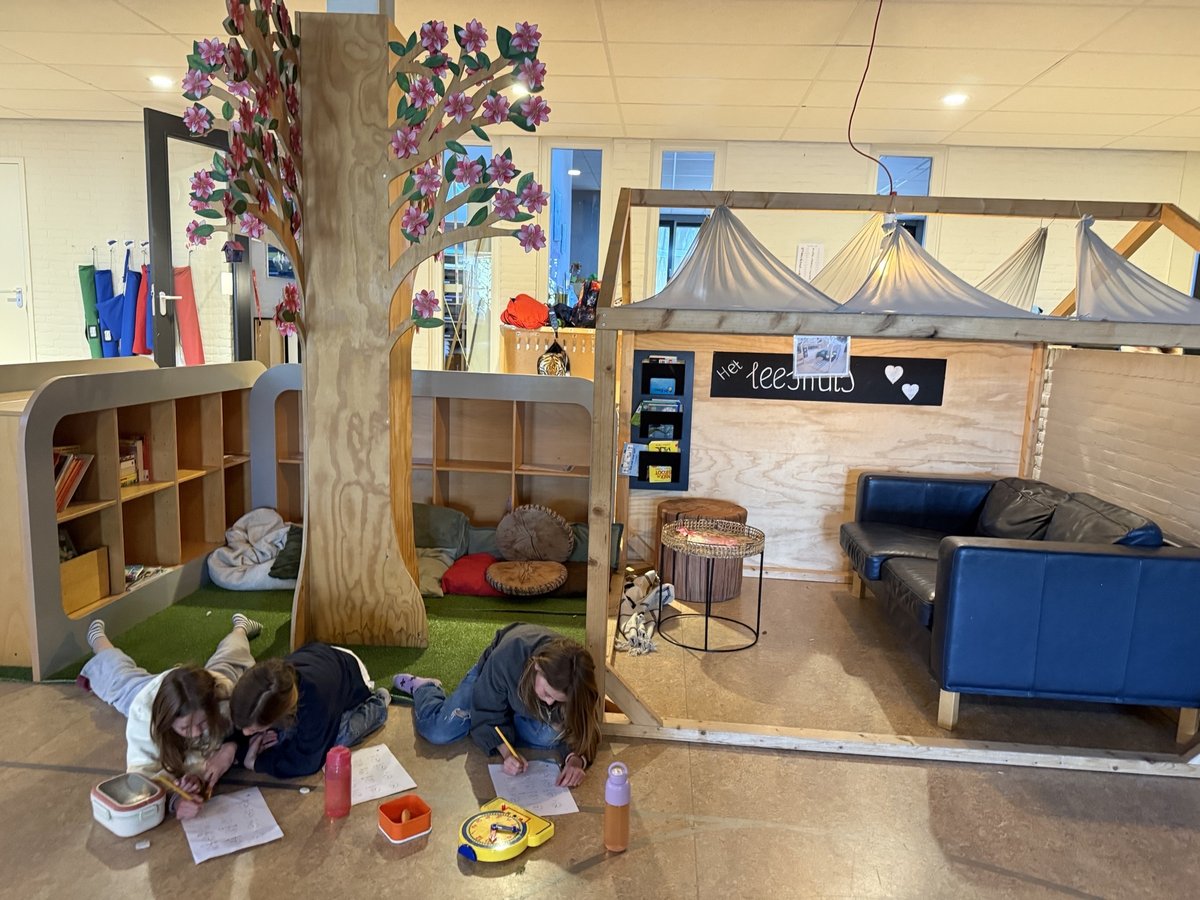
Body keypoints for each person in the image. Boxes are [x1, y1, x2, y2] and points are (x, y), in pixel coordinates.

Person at [78, 613, 262, 820]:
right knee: (116, 675)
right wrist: (175, 799)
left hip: (204, 682)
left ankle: (241, 628)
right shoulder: (144, 713)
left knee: (231, 657)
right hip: (145, 691)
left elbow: (248, 727)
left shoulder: (222, 693)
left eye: (202, 723)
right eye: (185, 728)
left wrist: (231, 747)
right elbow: (141, 776)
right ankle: (97, 638)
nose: (195, 733)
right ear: (166, 721)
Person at [393, 624, 601, 788]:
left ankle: (513, 716)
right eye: (547, 694)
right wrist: (507, 752)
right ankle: (426, 688)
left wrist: (576, 760)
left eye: (558, 700)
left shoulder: (577, 681)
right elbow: (486, 711)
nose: (549, 703)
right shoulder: (508, 657)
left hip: (520, 697)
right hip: (490, 679)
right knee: (440, 731)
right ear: (537, 666)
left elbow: (584, 726)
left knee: (547, 737)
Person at [229, 643, 391, 778]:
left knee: (336, 743)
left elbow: (308, 761)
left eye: (253, 729)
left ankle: (379, 704)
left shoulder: (315, 702)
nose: (245, 733)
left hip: (352, 677)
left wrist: (256, 763)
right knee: (281, 737)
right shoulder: (271, 686)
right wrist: (237, 746)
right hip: (320, 658)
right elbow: (244, 723)